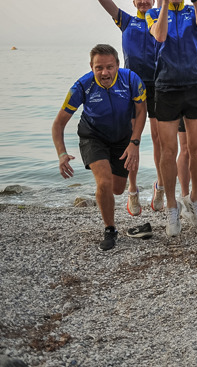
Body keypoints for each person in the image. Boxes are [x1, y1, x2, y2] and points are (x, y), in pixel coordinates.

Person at [51, 44, 147, 250]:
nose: (105, 72)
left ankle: (129, 189)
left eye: (110, 67)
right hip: (93, 136)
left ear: (118, 65)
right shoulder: (81, 86)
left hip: (122, 137)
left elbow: (141, 112)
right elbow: (58, 123)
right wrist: (61, 154)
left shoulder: (131, 80)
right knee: (103, 182)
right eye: (99, 68)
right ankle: (110, 229)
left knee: (117, 189)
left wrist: (134, 143)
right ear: (91, 67)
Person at [147, 0, 197, 236]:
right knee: (168, 151)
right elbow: (159, 36)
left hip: (195, 86)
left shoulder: (192, 9)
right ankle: (172, 207)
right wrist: (162, 2)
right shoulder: (153, 12)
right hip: (166, 88)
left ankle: (195, 198)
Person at [94, 0, 159, 217]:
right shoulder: (127, 21)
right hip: (132, 85)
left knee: (160, 140)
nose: (144, 2)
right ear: (134, 2)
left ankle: (162, 187)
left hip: (159, 84)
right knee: (132, 140)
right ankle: (132, 191)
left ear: (153, 0)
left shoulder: (160, 19)